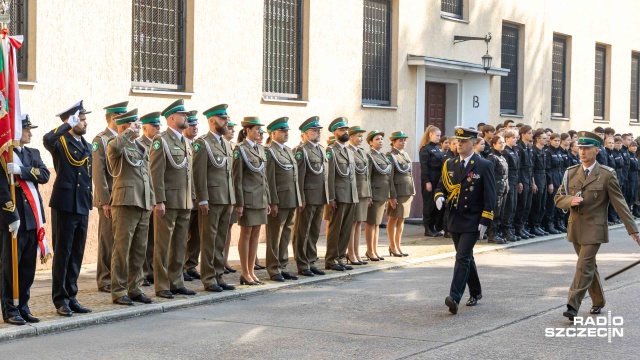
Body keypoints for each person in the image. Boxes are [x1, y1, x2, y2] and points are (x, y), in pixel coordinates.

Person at [555, 131, 640, 321]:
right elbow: (558, 198)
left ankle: (572, 304)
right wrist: (571, 200)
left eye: (587, 149)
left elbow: (620, 204)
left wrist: (632, 230)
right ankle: (598, 300)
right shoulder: (570, 173)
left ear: (597, 150)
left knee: (583, 265)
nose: (582, 152)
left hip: (595, 228)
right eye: (580, 148)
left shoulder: (606, 175)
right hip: (576, 227)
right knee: (589, 265)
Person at [435, 127, 496, 314]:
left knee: (461, 257)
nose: (459, 144)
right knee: (466, 257)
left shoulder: (484, 165)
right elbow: (441, 185)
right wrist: (439, 196)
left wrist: (485, 220)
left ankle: (454, 297)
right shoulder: (450, 164)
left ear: (473, 144)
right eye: (457, 141)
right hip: (454, 218)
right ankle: (476, 292)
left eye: (463, 141)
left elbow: (490, 195)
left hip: (473, 219)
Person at [44, 100, 93, 316]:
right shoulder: (60, 141)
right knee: (63, 252)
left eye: (83, 119)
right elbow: (47, 138)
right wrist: (66, 125)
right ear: (71, 120)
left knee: (77, 252)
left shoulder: (87, 145)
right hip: (65, 203)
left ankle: (72, 295)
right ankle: (60, 299)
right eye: (80, 119)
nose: (85, 123)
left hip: (82, 202)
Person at [1, 115, 50, 325]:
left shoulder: (32, 153)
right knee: (10, 267)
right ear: (16, 131)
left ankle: (23, 305)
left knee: (28, 267)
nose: (30, 133)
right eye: (27, 129)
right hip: (13, 220)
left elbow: (45, 175)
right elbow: (2, 189)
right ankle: (10, 309)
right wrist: (11, 215)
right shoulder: (4, 155)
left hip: (32, 219)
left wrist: (22, 170)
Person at [107, 109, 155, 306]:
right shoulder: (117, 144)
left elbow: (146, 174)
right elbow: (114, 149)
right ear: (125, 127)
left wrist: (151, 198)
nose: (138, 126)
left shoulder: (141, 146)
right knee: (122, 249)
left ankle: (135, 288)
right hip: (125, 202)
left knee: (139, 249)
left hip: (142, 202)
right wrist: (126, 132)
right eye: (134, 123)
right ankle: (118, 291)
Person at [150, 99, 196, 299]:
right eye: (183, 115)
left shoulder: (185, 141)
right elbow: (156, 173)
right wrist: (159, 200)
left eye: (186, 115)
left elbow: (189, 173)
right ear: (171, 118)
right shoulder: (162, 141)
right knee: (163, 244)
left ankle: (177, 282)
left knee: (180, 244)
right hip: (167, 201)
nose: (186, 118)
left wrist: (192, 197)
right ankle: (162, 285)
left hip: (184, 200)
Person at [193, 104, 236, 292]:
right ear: (212, 121)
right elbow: (199, 173)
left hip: (226, 198)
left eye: (226, 118)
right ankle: (209, 278)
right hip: (211, 199)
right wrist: (202, 199)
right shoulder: (203, 143)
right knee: (209, 240)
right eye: (222, 118)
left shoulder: (226, 143)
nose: (226, 121)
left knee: (220, 238)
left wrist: (232, 198)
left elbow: (229, 174)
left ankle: (219, 275)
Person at [92, 101, 128, 293]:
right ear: (113, 118)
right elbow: (99, 173)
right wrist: (105, 201)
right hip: (110, 198)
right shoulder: (101, 140)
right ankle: (105, 279)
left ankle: (118, 277)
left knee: (121, 239)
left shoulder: (125, 139)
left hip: (124, 197)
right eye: (122, 118)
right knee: (107, 240)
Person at [233, 117, 270, 285]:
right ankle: (245, 272)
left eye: (260, 130)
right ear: (247, 131)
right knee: (246, 234)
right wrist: (239, 203)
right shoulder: (240, 149)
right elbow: (237, 178)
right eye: (256, 129)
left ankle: (252, 271)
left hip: (261, 198)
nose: (260, 132)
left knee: (256, 234)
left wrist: (268, 199)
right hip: (248, 198)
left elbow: (265, 178)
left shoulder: (261, 149)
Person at [265, 117, 302, 281]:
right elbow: (270, 178)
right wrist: (272, 201)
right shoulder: (270, 151)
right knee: (275, 235)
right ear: (273, 133)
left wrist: (299, 198)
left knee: (286, 234)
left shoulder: (288, 150)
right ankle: (273, 269)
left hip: (291, 198)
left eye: (287, 131)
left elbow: (294, 177)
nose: (286, 133)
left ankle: (283, 265)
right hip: (279, 199)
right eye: (282, 131)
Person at [292, 117, 329, 277]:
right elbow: (299, 177)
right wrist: (300, 198)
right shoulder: (301, 151)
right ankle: (302, 263)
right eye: (314, 131)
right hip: (307, 197)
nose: (317, 132)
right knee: (302, 231)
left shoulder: (321, 149)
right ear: (305, 135)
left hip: (320, 196)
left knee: (314, 232)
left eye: (318, 130)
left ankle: (312, 261)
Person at [324, 118, 358, 271]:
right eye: (342, 130)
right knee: (335, 228)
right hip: (338, 195)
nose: (345, 132)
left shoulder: (349, 151)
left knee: (346, 228)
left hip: (350, 194)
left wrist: (355, 195)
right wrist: (331, 197)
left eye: (346, 129)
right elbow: (329, 175)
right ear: (335, 132)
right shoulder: (331, 151)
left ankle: (340, 257)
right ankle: (331, 259)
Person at [138, 112, 161, 286]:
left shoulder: (160, 144)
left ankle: (152, 270)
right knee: (143, 239)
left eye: (159, 126)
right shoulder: (139, 144)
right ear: (145, 128)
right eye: (154, 126)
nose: (158, 129)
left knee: (153, 237)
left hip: (154, 195)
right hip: (142, 196)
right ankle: (143, 272)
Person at [386, 131, 415, 257]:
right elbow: (389, 177)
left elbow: (409, 174)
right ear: (393, 142)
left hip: (406, 191)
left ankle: (398, 245)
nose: (403, 142)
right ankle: (392, 246)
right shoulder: (390, 156)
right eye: (400, 140)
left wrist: (412, 191)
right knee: (393, 218)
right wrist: (392, 195)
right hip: (397, 192)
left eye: (404, 140)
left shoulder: (405, 155)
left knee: (401, 219)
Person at [347, 126, 371, 265]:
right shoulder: (349, 151)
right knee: (352, 223)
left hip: (362, 192)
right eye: (359, 136)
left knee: (358, 223)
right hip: (354, 191)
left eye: (362, 136)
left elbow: (366, 174)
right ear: (351, 137)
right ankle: (351, 253)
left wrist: (368, 194)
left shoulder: (362, 152)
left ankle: (357, 252)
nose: (361, 139)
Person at [365, 130, 389, 261]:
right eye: (377, 139)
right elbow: (367, 176)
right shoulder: (370, 156)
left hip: (382, 193)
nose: (380, 141)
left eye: (381, 139)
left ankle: (374, 249)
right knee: (371, 223)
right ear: (370, 142)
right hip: (374, 193)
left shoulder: (383, 156)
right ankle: (369, 250)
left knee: (377, 223)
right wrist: (368, 194)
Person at [183, 111, 201, 282]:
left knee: (196, 234)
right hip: (184, 197)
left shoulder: (198, 146)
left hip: (198, 196)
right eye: (191, 124)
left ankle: (191, 265)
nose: (195, 127)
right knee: (182, 235)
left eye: (196, 125)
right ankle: (180, 267)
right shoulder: (181, 144)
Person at [419, 125, 444, 237]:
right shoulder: (425, 149)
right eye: (437, 135)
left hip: (438, 178)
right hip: (430, 178)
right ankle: (428, 228)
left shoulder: (438, 148)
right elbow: (424, 167)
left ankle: (434, 227)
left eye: (440, 135)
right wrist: (427, 181)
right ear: (430, 135)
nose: (439, 138)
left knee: (436, 204)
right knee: (429, 204)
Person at [223, 120, 239, 274]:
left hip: (231, 195)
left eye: (234, 128)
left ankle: (225, 260)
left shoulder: (234, 147)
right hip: (220, 195)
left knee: (228, 229)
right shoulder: (208, 144)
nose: (232, 131)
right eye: (229, 128)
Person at [486, 135, 508, 244]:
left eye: (503, 142)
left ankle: (497, 232)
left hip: (503, 187)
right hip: (496, 188)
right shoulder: (492, 157)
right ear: (494, 144)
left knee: (501, 212)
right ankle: (492, 234)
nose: (502, 145)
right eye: (500, 143)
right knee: (495, 211)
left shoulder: (501, 156)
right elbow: (490, 175)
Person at [501, 130, 522, 242]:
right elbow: (506, 169)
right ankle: (506, 230)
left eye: (515, 138)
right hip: (509, 180)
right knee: (509, 206)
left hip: (515, 179)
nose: (515, 139)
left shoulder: (514, 150)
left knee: (513, 206)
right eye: (513, 137)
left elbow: (517, 168)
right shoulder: (505, 151)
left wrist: (519, 182)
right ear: (507, 138)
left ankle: (510, 229)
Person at [543, 133, 564, 234]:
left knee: (559, 202)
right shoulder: (548, 152)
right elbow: (548, 169)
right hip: (553, 179)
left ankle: (558, 223)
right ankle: (549, 224)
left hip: (559, 178)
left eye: (558, 141)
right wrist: (550, 183)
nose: (557, 142)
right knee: (552, 203)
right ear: (550, 141)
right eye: (555, 140)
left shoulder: (559, 151)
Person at [529, 130, 548, 236]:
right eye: (544, 138)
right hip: (536, 176)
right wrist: (533, 182)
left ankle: (538, 225)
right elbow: (532, 168)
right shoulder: (534, 151)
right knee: (536, 203)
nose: (546, 140)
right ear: (537, 139)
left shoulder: (543, 151)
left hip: (543, 176)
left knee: (542, 203)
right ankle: (533, 226)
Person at [628, 141, 640, 217]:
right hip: (630, 177)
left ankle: (635, 210)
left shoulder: (634, 156)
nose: (634, 147)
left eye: (635, 146)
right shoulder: (628, 155)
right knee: (630, 194)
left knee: (635, 195)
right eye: (632, 146)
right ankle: (629, 211)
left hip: (636, 177)